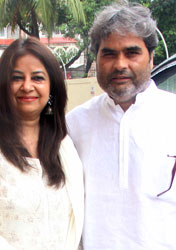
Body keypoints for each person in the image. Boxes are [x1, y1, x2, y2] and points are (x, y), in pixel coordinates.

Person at [66, 2, 176, 250]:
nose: (120, 64)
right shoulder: (74, 125)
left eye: (132, 52)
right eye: (109, 54)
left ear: (151, 58)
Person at [0, 37, 84, 250]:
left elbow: (74, 226)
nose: (27, 86)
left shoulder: (63, 146)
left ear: (51, 89)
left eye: (37, 78)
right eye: (17, 78)